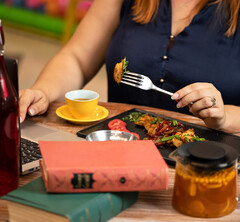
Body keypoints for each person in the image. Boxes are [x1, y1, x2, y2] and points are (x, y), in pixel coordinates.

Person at [20, 0, 240, 133]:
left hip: (209, 167)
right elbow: (77, 58)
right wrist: (43, 91)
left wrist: (224, 117)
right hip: (119, 148)